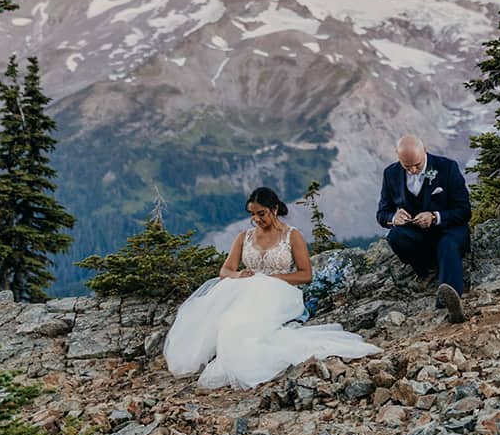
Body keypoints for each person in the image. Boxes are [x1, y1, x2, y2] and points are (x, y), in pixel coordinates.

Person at [163, 185, 378, 389]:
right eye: (252, 214)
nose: (256, 219)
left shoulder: (291, 236)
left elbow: (306, 275)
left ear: (274, 209)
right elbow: (225, 271)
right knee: (220, 315)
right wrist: (239, 274)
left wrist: (275, 278)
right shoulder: (243, 237)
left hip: (280, 291)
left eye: (261, 214)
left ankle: (241, 356)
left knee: (247, 323)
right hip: (247, 288)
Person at [376, 134, 471, 322]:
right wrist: (394, 218)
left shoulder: (447, 168)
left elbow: (464, 210)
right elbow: (382, 213)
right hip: (418, 236)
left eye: (417, 165)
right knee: (395, 237)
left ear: (425, 150)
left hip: (449, 230)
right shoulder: (390, 174)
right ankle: (425, 269)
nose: (412, 170)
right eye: (407, 166)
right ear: (397, 156)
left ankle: (450, 302)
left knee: (447, 245)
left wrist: (435, 217)